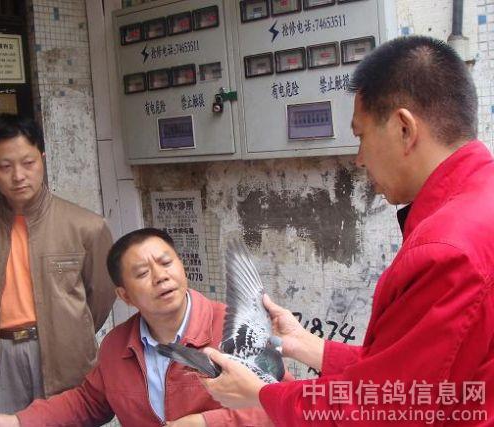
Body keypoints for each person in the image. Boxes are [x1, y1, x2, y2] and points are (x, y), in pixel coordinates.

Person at [201, 36, 494, 425]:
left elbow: (381, 410)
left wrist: (259, 394)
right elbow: (415, 373)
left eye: (361, 136)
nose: (359, 159)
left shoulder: (448, 251)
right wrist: (308, 346)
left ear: (404, 129)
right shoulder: (479, 205)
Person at [0, 228, 273, 426]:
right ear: (125, 295)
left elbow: (278, 405)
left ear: (182, 267)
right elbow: (88, 402)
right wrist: (20, 422)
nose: (160, 276)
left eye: (166, 263)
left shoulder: (234, 330)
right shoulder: (117, 345)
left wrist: (205, 423)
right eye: (142, 273)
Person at [0, 114, 116, 413]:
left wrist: (67, 328)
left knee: (67, 418)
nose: (18, 176)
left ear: (42, 159)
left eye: (28, 163)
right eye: (5, 166)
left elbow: (101, 298)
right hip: (0, 355)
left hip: (63, 353)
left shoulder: (87, 226)